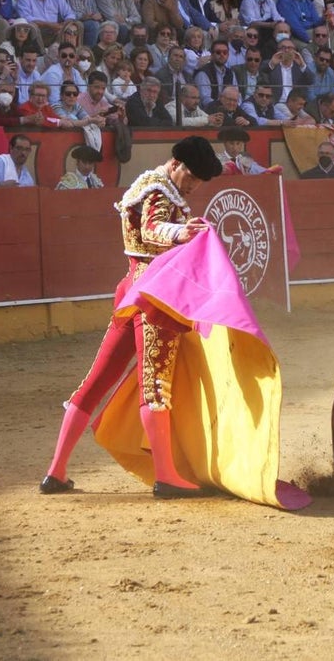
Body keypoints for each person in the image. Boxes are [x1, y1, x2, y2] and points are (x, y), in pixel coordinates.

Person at [41, 137, 223, 497]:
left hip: (132, 293)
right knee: (156, 387)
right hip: (155, 298)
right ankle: (166, 476)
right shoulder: (159, 191)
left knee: (96, 382)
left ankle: (56, 471)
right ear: (175, 163)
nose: (193, 185)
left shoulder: (150, 185)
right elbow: (152, 229)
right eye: (191, 176)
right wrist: (180, 232)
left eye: (200, 181)